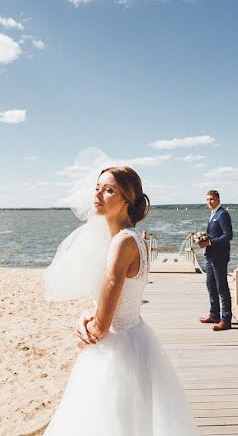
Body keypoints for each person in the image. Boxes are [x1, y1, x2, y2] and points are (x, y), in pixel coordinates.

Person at [44, 166, 198, 436]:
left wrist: (86, 329)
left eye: (109, 190)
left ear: (126, 200)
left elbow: (103, 326)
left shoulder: (121, 243)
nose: (98, 195)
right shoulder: (132, 238)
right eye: (97, 188)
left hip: (117, 347)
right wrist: (87, 314)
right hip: (135, 336)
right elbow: (110, 299)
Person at [197, 189, 233, 331]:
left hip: (220, 257)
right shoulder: (213, 214)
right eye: (207, 199)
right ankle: (214, 315)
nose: (209, 202)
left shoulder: (223, 214)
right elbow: (214, 233)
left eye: (211, 199)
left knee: (221, 288)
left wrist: (209, 242)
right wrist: (203, 239)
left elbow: (228, 235)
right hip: (210, 257)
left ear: (218, 199)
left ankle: (226, 319)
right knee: (211, 285)